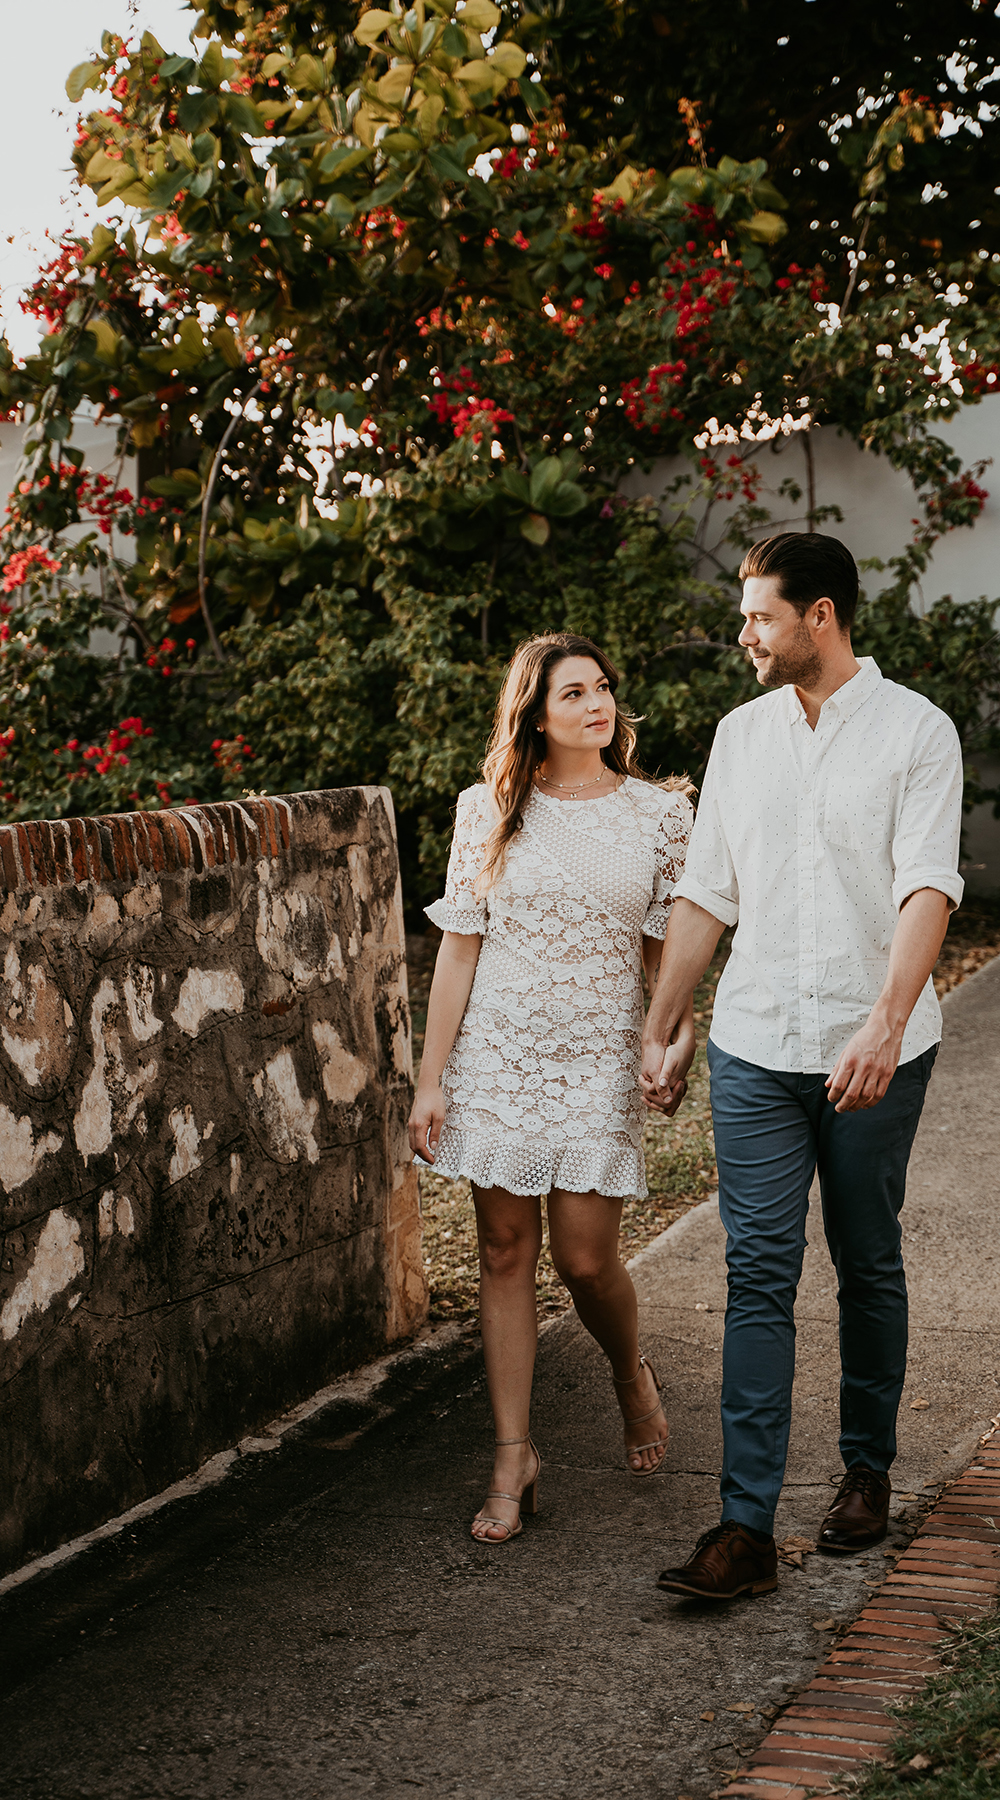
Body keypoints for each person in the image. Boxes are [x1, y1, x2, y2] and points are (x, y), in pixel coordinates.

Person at [642, 532, 964, 1601]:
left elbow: (928, 886)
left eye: (760, 617)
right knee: (757, 1273)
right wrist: (667, 1018)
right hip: (757, 1042)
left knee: (867, 1259)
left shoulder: (917, 732)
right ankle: (743, 1527)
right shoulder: (740, 738)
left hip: (877, 1049)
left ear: (819, 616)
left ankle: (866, 1473)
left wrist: (885, 1018)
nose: (745, 634)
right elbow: (709, 891)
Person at [409, 632, 695, 1544]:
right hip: (498, 1051)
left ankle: (628, 1372)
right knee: (502, 1249)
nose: (597, 704)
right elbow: (460, 947)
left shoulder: (659, 815)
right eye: (573, 693)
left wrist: (673, 1041)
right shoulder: (486, 810)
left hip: (596, 1057)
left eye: (603, 688)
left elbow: (668, 959)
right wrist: (431, 1079)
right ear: (535, 713)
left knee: (581, 1258)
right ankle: (512, 1455)